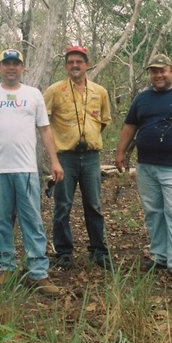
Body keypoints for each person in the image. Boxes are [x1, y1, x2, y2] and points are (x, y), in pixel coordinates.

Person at [0, 48, 64, 296]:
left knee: (32, 220)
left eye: (15, 63)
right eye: (6, 63)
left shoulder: (33, 95)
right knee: (1, 220)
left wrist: (54, 161)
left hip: (26, 168)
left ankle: (38, 272)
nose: (11, 67)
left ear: (23, 68)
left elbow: (45, 129)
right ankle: (6, 268)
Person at [114, 53, 172, 283]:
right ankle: (160, 256)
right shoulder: (142, 99)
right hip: (146, 165)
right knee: (154, 212)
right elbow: (130, 126)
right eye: (153, 71)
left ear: (171, 70)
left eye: (162, 70)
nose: (158, 75)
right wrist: (120, 152)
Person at [43, 45, 113, 269]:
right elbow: (43, 123)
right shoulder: (54, 91)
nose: (75, 65)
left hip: (91, 157)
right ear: (65, 66)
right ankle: (63, 252)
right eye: (71, 62)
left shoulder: (99, 92)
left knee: (94, 205)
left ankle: (98, 251)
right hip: (65, 158)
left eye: (79, 61)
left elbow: (102, 121)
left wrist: (88, 139)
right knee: (62, 206)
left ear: (87, 64)